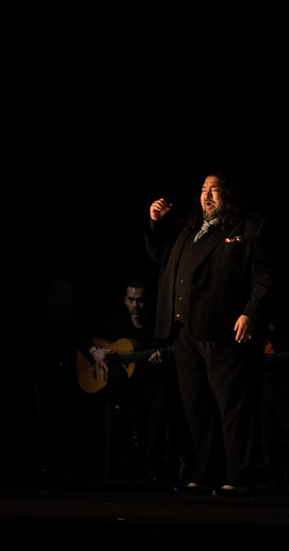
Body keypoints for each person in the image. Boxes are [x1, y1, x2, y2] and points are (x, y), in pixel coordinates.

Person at [147, 173, 273, 496]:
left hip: (223, 332)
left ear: (228, 195)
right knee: (196, 407)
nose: (207, 195)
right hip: (185, 332)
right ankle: (205, 473)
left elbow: (264, 276)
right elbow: (158, 256)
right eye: (204, 189)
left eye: (214, 189)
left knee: (232, 407)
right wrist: (157, 224)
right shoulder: (188, 229)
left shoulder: (248, 227)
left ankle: (238, 476)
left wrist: (251, 311)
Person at [76, 281, 178, 480]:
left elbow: (170, 369)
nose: (135, 305)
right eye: (131, 300)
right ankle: (134, 425)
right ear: (125, 300)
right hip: (121, 391)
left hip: (146, 386)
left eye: (140, 300)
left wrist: (160, 363)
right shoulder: (115, 323)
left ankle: (151, 464)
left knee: (162, 397)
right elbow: (79, 333)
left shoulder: (159, 329)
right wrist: (94, 351)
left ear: (149, 301)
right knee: (115, 374)